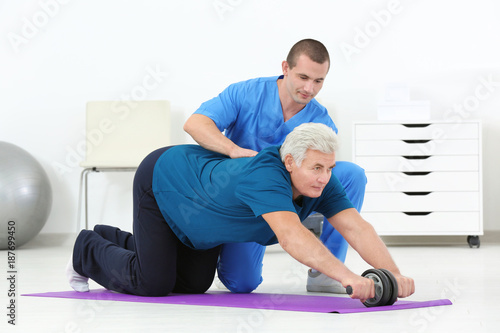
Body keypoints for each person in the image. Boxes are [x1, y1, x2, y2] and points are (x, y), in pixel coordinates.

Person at [67, 123, 415, 301]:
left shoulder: (320, 180)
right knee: (153, 282)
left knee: (192, 284)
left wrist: (393, 273)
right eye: (317, 168)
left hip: (198, 212)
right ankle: (85, 249)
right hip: (166, 180)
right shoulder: (267, 177)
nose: (325, 177)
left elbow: (356, 227)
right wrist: (349, 278)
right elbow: (292, 236)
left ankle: (110, 237)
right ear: (290, 161)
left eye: (330, 167)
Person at [183, 38, 366, 294]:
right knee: (241, 283)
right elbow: (195, 124)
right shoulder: (247, 93)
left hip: (289, 197)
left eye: (318, 81)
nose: (309, 88)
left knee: (352, 175)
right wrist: (233, 150)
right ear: (286, 68)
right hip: (245, 203)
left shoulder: (320, 120)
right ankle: (226, 242)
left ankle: (325, 273)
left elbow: (323, 172)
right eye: (303, 77)